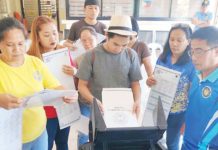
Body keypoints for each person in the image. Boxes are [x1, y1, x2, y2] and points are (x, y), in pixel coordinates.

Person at [0, 17, 77, 150]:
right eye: (9, 44)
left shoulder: (35, 62)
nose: (17, 49)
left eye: (20, 43)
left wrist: (68, 94)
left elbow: (55, 85)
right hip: (11, 138)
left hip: (40, 131)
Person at [76, 14, 142, 117]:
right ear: (106, 35)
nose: (119, 49)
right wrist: (93, 100)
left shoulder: (131, 55)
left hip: (123, 109)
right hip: (97, 109)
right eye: (115, 44)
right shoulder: (91, 55)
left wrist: (137, 100)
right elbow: (81, 86)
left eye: (124, 45)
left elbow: (135, 83)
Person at [27, 16, 76, 150]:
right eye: (47, 35)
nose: (53, 38)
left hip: (65, 108)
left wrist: (75, 71)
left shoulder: (63, 53)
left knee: (63, 143)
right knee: (46, 145)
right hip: (45, 112)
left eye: (54, 33)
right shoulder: (30, 58)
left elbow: (73, 80)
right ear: (37, 37)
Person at [146, 23, 195, 150]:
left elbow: (193, 92)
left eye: (179, 40)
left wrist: (187, 118)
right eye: (172, 39)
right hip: (159, 108)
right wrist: (149, 81)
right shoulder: (162, 58)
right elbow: (153, 79)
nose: (175, 43)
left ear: (188, 42)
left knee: (172, 142)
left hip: (177, 113)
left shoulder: (192, 64)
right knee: (152, 140)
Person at [182, 26, 218, 150]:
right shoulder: (197, 75)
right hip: (186, 144)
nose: (193, 57)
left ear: (216, 51)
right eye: (192, 51)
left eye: (199, 51)